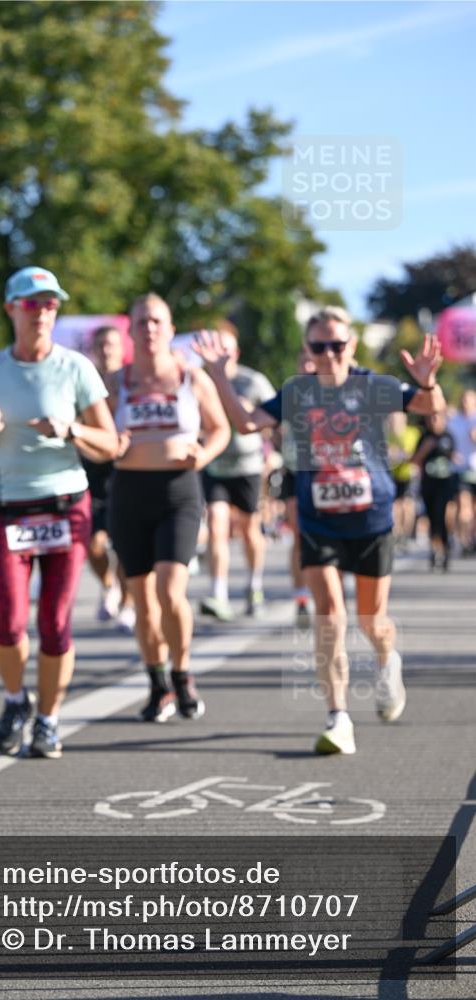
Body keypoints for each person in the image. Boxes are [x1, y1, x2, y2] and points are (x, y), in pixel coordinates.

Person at [195, 306, 445, 755]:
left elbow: (430, 408)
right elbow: (248, 422)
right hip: (317, 518)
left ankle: (388, 660)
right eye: (319, 346)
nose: (328, 354)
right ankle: (339, 716)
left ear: (350, 346)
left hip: (371, 518)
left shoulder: (371, 385)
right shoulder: (299, 392)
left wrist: (427, 381)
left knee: (372, 620)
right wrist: (218, 377)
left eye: (337, 345)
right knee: (329, 616)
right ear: (308, 350)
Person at [0, 266, 118, 759]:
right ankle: (13, 700)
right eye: (32, 303)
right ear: (11, 310)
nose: (43, 312)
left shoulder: (76, 368)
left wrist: (72, 431)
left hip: (66, 508)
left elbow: (110, 444)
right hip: (8, 510)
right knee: (6, 624)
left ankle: (48, 719)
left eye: (50, 304)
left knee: (56, 624)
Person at [106, 293, 230, 722]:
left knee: (170, 591)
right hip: (128, 493)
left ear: (171, 329)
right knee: (142, 599)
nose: (150, 328)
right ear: (132, 331)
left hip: (178, 491)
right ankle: (158, 683)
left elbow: (221, 430)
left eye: (158, 321)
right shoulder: (114, 382)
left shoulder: (191, 379)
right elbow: (97, 434)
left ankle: (183, 674)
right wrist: (108, 443)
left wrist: (205, 455)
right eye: (141, 322)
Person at [199, 320, 275, 621]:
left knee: (248, 530)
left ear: (236, 352)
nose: (219, 355)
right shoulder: (202, 382)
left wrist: (249, 412)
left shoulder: (253, 381)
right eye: (215, 349)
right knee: (217, 524)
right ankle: (219, 593)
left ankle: (254, 586)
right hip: (216, 464)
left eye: (225, 350)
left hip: (248, 466)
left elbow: (273, 419)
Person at [83, 324, 135, 633]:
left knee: (126, 544)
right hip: (92, 468)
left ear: (121, 347)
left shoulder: (131, 380)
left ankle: (129, 604)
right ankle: (109, 585)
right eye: (100, 344)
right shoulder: (86, 380)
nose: (106, 350)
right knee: (93, 544)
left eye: (111, 344)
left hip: (126, 465)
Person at [278, 347, 316, 628]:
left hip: (326, 472)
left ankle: (327, 589)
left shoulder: (333, 391)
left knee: (326, 536)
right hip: (294, 471)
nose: (307, 365)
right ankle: (302, 596)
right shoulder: (290, 393)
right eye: (302, 360)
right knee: (300, 535)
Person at [412, 411, 458, 571]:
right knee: (432, 517)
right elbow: (415, 460)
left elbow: (455, 457)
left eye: (436, 418)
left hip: (445, 484)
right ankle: (434, 549)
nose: (433, 421)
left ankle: (445, 549)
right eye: (430, 418)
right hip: (428, 484)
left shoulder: (448, 436)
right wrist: (425, 449)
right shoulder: (424, 437)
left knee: (442, 516)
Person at [387, 411, 421, 553]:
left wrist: (403, 454)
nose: (395, 422)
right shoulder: (386, 434)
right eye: (393, 419)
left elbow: (415, 453)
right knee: (395, 506)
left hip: (409, 474)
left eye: (398, 419)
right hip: (392, 474)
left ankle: (406, 534)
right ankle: (397, 533)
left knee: (407, 505)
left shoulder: (413, 432)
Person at [449, 389, 476, 554]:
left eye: (470, 400)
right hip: (460, 469)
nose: (466, 403)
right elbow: (446, 441)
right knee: (463, 505)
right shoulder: (454, 421)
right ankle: (464, 540)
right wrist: (451, 453)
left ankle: (472, 536)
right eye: (464, 400)